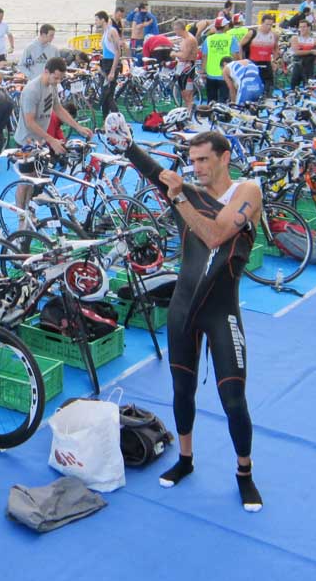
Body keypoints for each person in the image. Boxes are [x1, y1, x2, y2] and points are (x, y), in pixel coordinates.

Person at [105, 119, 264, 512]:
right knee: (182, 391)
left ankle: (244, 473)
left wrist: (178, 198)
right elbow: (158, 175)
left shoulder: (247, 191)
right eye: (192, 160)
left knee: (233, 399)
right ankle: (186, 460)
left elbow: (215, 235)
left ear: (225, 157)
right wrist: (128, 147)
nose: (197, 167)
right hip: (183, 308)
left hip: (222, 311)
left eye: (205, 160)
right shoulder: (189, 192)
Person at [14, 57, 93, 208]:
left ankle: (28, 212)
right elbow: (30, 122)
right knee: (25, 182)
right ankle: (21, 218)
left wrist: (78, 127)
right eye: (56, 77)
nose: (58, 81)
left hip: (39, 141)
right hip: (26, 141)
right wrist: (52, 140)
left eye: (61, 78)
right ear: (46, 72)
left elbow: (58, 108)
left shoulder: (52, 86)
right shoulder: (32, 90)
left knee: (35, 179)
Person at [200, 17, 240, 103]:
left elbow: (204, 56)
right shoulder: (231, 39)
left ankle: (211, 115)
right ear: (225, 26)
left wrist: (203, 71)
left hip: (211, 73)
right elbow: (235, 55)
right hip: (225, 74)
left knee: (211, 100)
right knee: (224, 100)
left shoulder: (209, 39)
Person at [95, 10, 126, 117]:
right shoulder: (105, 31)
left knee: (108, 94)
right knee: (105, 94)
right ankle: (105, 120)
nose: (95, 22)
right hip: (105, 63)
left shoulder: (112, 31)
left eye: (97, 20)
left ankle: (118, 118)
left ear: (103, 19)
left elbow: (117, 51)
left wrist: (113, 71)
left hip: (112, 63)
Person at [240, 13, 277, 93]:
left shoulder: (274, 35)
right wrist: (241, 60)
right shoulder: (253, 33)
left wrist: (274, 60)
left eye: (271, 25)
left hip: (266, 63)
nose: (269, 27)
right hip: (253, 63)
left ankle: (267, 98)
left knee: (269, 86)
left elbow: (276, 48)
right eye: (267, 24)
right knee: (253, 86)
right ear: (261, 23)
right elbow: (240, 45)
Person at [172, 21, 199, 111]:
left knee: (187, 93)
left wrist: (174, 54)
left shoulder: (189, 39)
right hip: (183, 67)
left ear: (180, 29)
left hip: (188, 67)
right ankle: (188, 110)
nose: (175, 32)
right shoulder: (184, 38)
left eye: (176, 30)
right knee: (184, 92)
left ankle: (190, 111)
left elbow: (184, 56)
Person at [126, 2, 159, 67]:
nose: (146, 11)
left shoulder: (148, 16)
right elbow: (129, 19)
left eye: (147, 9)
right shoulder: (137, 15)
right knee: (135, 57)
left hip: (143, 39)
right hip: (136, 39)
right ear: (141, 9)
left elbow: (154, 26)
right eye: (145, 9)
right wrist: (134, 11)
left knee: (141, 56)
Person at [289, 21, 316, 89]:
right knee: (294, 87)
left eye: (304, 27)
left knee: (308, 88)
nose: (302, 29)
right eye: (300, 27)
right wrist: (311, 51)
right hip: (298, 65)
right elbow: (296, 52)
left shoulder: (314, 40)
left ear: (309, 28)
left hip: (309, 66)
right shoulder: (295, 38)